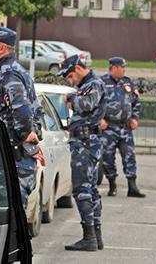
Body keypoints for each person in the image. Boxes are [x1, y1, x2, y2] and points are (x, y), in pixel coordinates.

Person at [0, 25, 43, 212]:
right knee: (12, 223)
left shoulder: (8, 73)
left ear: (2, 48)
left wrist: (25, 134)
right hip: (10, 162)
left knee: (9, 225)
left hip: (11, 163)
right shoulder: (9, 71)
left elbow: (22, 110)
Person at [59, 55, 106, 251]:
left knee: (82, 190)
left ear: (78, 68)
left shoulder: (93, 84)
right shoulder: (89, 84)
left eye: (70, 76)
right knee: (91, 188)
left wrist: (71, 99)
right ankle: (95, 236)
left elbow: (87, 104)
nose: (70, 81)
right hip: (85, 141)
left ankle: (89, 238)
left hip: (85, 143)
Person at [100, 57, 145, 198]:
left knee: (129, 156)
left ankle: (132, 186)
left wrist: (135, 118)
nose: (124, 69)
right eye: (122, 67)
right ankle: (112, 184)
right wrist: (99, 119)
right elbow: (94, 104)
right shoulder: (101, 83)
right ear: (114, 67)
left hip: (125, 128)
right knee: (107, 157)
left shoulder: (128, 82)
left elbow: (136, 103)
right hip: (109, 128)